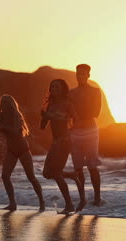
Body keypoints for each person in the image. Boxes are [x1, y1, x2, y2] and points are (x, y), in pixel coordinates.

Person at [0, 94, 45, 211]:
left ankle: (42, 201)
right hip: (11, 150)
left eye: (7, 103)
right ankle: (12, 203)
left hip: (23, 149)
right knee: (5, 176)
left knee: (31, 176)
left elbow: (16, 131)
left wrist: (2, 126)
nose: (5, 105)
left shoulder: (16, 115)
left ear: (12, 105)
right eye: (3, 103)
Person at [40, 79, 87, 214]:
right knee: (46, 173)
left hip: (65, 141)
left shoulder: (68, 104)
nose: (54, 89)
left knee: (54, 173)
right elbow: (43, 126)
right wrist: (43, 117)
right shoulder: (51, 105)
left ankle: (69, 205)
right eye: (52, 86)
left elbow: (77, 122)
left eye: (57, 87)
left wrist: (58, 117)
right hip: (55, 143)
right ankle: (72, 175)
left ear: (62, 89)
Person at [64, 64, 103, 206]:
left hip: (91, 131)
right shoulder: (70, 93)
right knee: (78, 167)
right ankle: (82, 199)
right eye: (78, 73)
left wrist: (77, 113)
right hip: (75, 132)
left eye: (82, 74)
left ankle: (97, 198)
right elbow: (67, 113)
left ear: (88, 75)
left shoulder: (95, 91)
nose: (79, 76)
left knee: (92, 165)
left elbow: (96, 112)